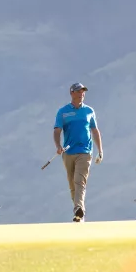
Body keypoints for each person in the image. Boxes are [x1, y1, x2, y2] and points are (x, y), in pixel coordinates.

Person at [54, 82, 103, 222]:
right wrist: (58, 146)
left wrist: (100, 150)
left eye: (83, 91)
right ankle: (78, 213)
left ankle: (79, 208)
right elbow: (57, 130)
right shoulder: (63, 112)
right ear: (72, 93)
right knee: (72, 183)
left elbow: (95, 130)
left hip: (85, 151)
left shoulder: (89, 111)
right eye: (79, 91)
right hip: (68, 152)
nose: (82, 94)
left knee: (79, 180)